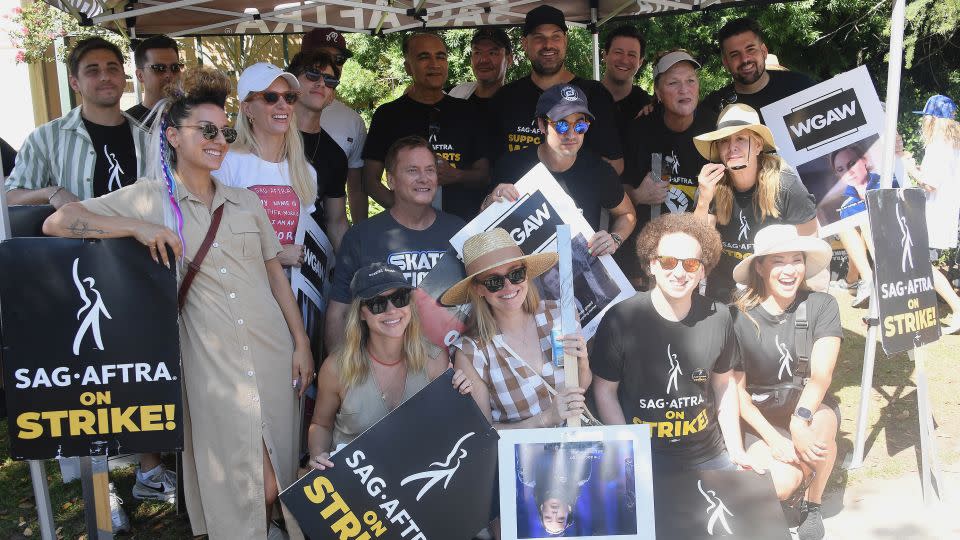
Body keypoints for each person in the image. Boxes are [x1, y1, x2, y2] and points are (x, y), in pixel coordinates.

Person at [42, 67, 312, 539]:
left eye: (225, 131)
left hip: (272, 354)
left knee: (279, 473)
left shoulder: (246, 202)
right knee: (245, 479)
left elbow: (275, 275)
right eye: (206, 130)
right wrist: (134, 227)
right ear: (172, 136)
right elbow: (59, 222)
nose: (219, 140)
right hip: (211, 364)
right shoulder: (150, 199)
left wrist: (302, 342)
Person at [591, 213, 761, 473]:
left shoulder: (719, 316)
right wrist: (629, 452)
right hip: (645, 457)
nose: (679, 273)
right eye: (668, 262)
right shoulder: (620, 319)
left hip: (709, 455)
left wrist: (736, 451)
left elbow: (724, 386)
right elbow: (605, 391)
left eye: (691, 264)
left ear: (703, 270)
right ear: (652, 265)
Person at [730, 225, 841, 540]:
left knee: (819, 434)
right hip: (758, 416)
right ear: (760, 267)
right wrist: (774, 440)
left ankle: (813, 502)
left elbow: (822, 376)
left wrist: (798, 422)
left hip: (808, 406)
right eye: (778, 261)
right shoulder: (737, 318)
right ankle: (796, 483)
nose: (790, 270)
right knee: (779, 484)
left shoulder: (822, 305)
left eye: (797, 259)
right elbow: (738, 394)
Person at [307, 262, 472, 469]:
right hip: (354, 482)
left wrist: (460, 392)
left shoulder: (434, 359)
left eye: (399, 298)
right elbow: (321, 424)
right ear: (361, 313)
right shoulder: (336, 368)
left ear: (410, 305)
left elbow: (449, 427)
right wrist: (317, 454)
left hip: (412, 478)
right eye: (377, 303)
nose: (392, 310)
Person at [325, 136, 465, 353]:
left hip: (451, 366)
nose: (423, 178)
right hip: (383, 366)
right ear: (390, 180)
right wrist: (339, 372)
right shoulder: (361, 236)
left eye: (430, 170)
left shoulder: (458, 231)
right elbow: (340, 312)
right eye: (412, 170)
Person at [443, 227, 590, 428]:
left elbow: (582, 385)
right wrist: (546, 418)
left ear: (526, 274)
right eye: (494, 281)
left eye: (516, 274)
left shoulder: (561, 314)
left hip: (576, 450)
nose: (509, 286)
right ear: (478, 289)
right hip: (522, 458)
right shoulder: (471, 352)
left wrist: (582, 364)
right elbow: (483, 433)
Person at [487, 84, 636, 256]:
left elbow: (627, 213)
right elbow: (483, 221)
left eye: (580, 126)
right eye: (562, 125)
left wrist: (615, 238)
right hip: (521, 275)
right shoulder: (512, 165)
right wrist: (491, 200)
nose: (571, 134)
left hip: (579, 269)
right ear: (542, 125)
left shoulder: (598, 171)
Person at [692, 104, 818, 302]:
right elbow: (698, 246)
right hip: (723, 289)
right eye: (724, 141)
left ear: (758, 145)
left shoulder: (786, 185)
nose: (732, 147)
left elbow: (810, 243)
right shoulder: (711, 185)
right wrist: (704, 201)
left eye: (741, 139)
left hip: (771, 290)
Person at [362, 32, 490, 221]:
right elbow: (370, 181)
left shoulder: (470, 112)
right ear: (407, 67)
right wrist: (407, 214)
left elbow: (485, 176)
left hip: (463, 231)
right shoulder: (388, 115)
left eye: (440, 56)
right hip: (408, 234)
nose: (434, 64)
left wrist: (456, 175)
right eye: (424, 57)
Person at [5, 37, 147, 208]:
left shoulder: (147, 137)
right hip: (78, 234)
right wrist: (51, 192)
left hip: (142, 234)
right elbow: (9, 197)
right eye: (92, 71)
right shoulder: (45, 138)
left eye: (112, 68)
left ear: (124, 77)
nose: (105, 77)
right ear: (74, 83)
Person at [489, 5, 623, 174]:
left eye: (556, 37)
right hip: (520, 198)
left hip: (577, 199)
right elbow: (491, 165)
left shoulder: (595, 94)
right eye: (539, 37)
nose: (548, 45)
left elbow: (615, 165)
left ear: (565, 41)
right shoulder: (505, 98)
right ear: (525, 43)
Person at [617, 49, 712, 287]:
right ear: (658, 93)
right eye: (673, 83)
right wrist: (638, 196)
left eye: (691, 81)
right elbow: (616, 192)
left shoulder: (713, 129)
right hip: (647, 260)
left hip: (694, 257)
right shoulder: (640, 130)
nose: (684, 89)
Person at [212, 62, 318, 269]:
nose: (283, 105)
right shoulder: (225, 163)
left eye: (289, 97)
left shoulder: (305, 172)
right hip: (243, 293)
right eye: (270, 97)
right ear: (247, 108)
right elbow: (211, 240)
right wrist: (274, 256)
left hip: (290, 294)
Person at [301, 27, 369, 224]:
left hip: (324, 239)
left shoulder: (352, 120)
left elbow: (355, 189)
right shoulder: (275, 113)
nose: (332, 65)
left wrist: (358, 237)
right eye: (322, 57)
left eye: (339, 59)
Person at [287, 49, 349, 250]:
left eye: (330, 81)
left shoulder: (335, 154)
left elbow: (336, 223)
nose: (321, 83)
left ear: (332, 96)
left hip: (309, 264)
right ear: (292, 84)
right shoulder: (268, 138)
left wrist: (347, 272)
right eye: (312, 75)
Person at [701, 17, 816, 123]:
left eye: (750, 49)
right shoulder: (714, 108)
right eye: (735, 54)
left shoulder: (801, 86)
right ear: (725, 62)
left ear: (764, 52)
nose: (745, 59)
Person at [912, 94, 960, 334]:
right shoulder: (953, 143)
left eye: (926, 118)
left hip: (934, 214)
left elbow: (931, 184)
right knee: (922, 263)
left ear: (933, 119)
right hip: (944, 213)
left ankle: (957, 307)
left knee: (922, 265)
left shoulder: (939, 142)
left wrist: (911, 168)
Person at [600, 25, 651, 142]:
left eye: (632, 55)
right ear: (604, 55)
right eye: (618, 52)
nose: (624, 60)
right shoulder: (584, 98)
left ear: (640, 62)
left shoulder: (647, 107)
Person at [448, 27, 514, 114]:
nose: (483, 60)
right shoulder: (457, 94)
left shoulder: (517, 105)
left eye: (492, 53)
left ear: (509, 60)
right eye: (477, 52)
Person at [127, 35, 182, 124]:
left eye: (175, 67)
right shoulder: (129, 123)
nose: (169, 75)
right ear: (140, 75)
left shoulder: (192, 114)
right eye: (159, 68)